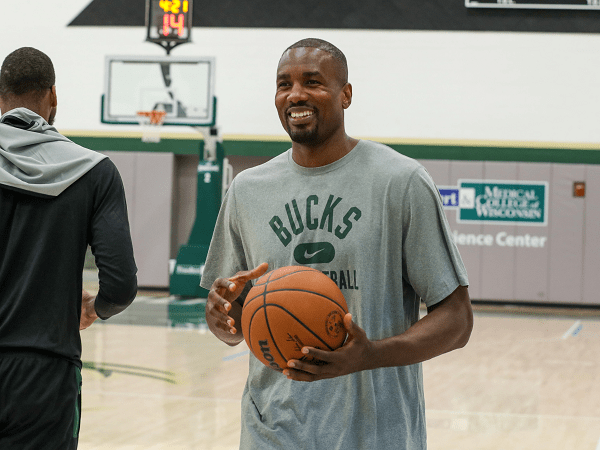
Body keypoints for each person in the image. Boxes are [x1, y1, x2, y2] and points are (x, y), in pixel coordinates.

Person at [200, 38, 473, 449]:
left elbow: (457, 321)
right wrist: (222, 316)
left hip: (375, 433)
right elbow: (233, 326)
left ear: (345, 94)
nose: (295, 95)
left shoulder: (400, 182)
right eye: (283, 84)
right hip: (272, 431)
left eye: (313, 82)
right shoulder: (247, 190)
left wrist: (371, 354)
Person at [0, 47, 137, 449]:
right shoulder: (95, 171)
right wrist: (94, 309)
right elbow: (121, 287)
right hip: (45, 375)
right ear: (53, 97)